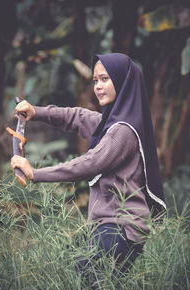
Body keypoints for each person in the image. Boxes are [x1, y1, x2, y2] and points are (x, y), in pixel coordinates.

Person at [11, 53, 166, 276]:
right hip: (106, 225)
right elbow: (76, 117)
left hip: (120, 227)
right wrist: (37, 112)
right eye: (95, 81)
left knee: (87, 282)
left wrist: (35, 173)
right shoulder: (110, 124)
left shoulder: (123, 131)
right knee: (70, 274)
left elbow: (89, 164)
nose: (98, 86)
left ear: (122, 81)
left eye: (105, 79)